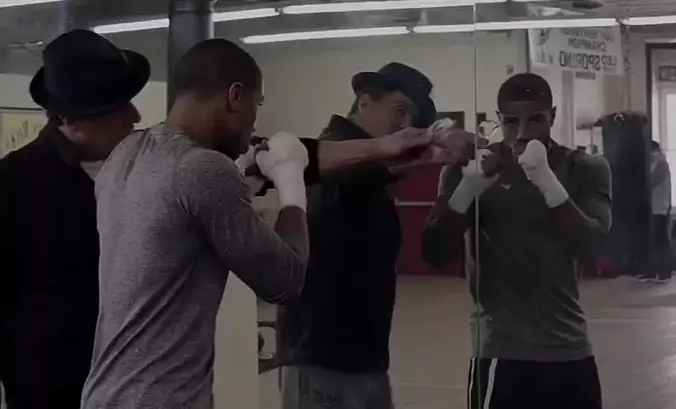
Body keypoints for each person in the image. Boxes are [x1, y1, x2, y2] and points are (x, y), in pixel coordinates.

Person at [79, 41, 460, 408]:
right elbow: (285, 280)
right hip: (164, 399)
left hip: (104, 392)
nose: (254, 123)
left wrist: (388, 149)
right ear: (235, 97)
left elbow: (180, 213)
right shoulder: (204, 169)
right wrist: (290, 182)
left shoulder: (126, 153)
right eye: (256, 105)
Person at [276, 62, 474, 409]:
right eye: (399, 110)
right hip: (320, 358)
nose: (405, 124)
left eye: (412, 117)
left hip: (364, 360)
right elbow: (356, 173)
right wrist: (432, 141)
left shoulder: (375, 170)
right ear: (365, 102)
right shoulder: (329, 155)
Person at [422, 73, 611, 409]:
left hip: (569, 349)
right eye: (511, 122)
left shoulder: (583, 167)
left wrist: (546, 181)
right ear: (499, 120)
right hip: (501, 352)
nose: (523, 132)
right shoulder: (474, 169)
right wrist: (466, 192)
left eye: (535, 119)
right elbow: (435, 252)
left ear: (552, 116)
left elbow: (593, 247)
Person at [0, 29, 149, 409]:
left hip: (133, 386)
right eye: (118, 108)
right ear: (73, 120)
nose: (135, 117)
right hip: (51, 393)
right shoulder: (12, 184)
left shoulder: (139, 172)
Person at [637, 140, 672, 283]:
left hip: (660, 208)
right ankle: (652, 271)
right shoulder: (654, 163)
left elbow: (652, 181)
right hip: (654, 207)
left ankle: (665, 272)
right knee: (653, 241)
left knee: (660, 240)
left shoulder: (661, 164)